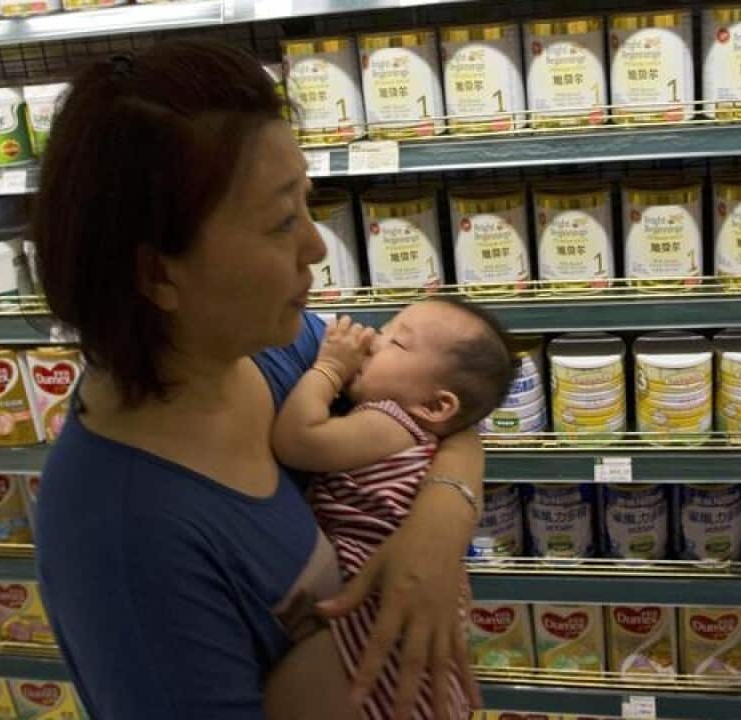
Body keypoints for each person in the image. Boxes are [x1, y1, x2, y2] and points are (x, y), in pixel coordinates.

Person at [31, 39, 483, 720]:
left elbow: (450, 403)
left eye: (308, 202)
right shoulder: (127, 544)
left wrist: (438, 527)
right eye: (281, 222)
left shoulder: (271, 349)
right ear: (157, 273)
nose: (316, 246)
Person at [267, 301, 513, 720]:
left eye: (396, 342)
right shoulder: (411, 431)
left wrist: (329, 369)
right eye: (385, 329)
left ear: (435, 407)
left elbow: (297, 441)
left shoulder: (390, 421)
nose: (372, 340)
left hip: (376, 603)